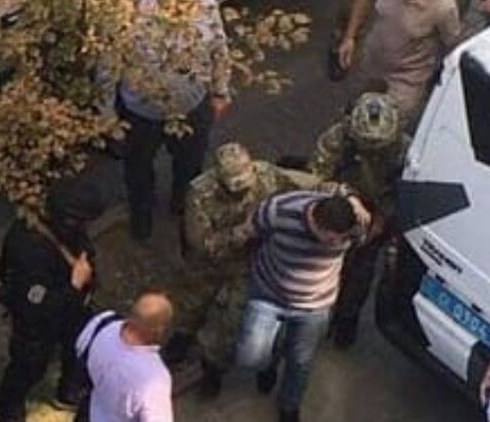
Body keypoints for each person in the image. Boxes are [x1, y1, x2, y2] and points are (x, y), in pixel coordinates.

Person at [166, 143, 339, 394]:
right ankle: (182, 337)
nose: (241, 192)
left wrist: (344, 194)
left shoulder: (267, 174)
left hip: (248, 264)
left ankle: (212, 369)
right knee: (191, 305)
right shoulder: (200, 192)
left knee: (229, 322)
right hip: (209, 264)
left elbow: (312, 184)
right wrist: (243, 232)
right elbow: (201, 243)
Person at [235, 191, 372, 422]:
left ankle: (289, 407)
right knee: (251, 354)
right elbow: (252, 232)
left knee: (300, 361)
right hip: (269, 293)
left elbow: (361, 238)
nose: (336, 244)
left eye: (341, 239)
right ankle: (268, 364)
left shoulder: (355, 224)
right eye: (331, 239)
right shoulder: (279, 210)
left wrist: (353, 198)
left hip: (314, 305)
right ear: (316, 223)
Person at [101, 0, 232, 240]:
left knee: (190, 165)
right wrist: (107, 115)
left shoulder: (204, 5)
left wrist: (220, 91)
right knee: (138, 171)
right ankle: (141, 219)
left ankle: (182, 205)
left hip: (191, 110)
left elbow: (219, 47)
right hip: (140, 115)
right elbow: (107, 67)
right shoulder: (126, 13)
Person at [0, 179, 106, 422]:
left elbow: (80, 246)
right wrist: (75, 285)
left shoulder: (62, 229)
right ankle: (8, 410)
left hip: (71, 306)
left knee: (77, 347)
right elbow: (36, 308)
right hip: (38, 319)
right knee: (29, 365)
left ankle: (68, 390)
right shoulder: (30, 249)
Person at [307, 92, 408, 349]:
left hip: (378, 210)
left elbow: (404, 191)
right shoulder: (337, 138)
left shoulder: (404, 151)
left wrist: (381, 220)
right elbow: (315, 177)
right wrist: (345, 195)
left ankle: (347, 318)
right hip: (338, 205)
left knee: (361, 271)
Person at [337, 0, 461, 126]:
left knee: (382, 128)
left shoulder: (444, 8)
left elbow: (451, 44)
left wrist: (436, 77)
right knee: (356, 117)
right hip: (371, 65)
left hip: (405, 82)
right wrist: (349, 37)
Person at [75, 288, 174, 422]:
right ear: (159, 330)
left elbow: (80, 347)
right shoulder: (155, 379)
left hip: (88, 409)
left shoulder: (104, 322)